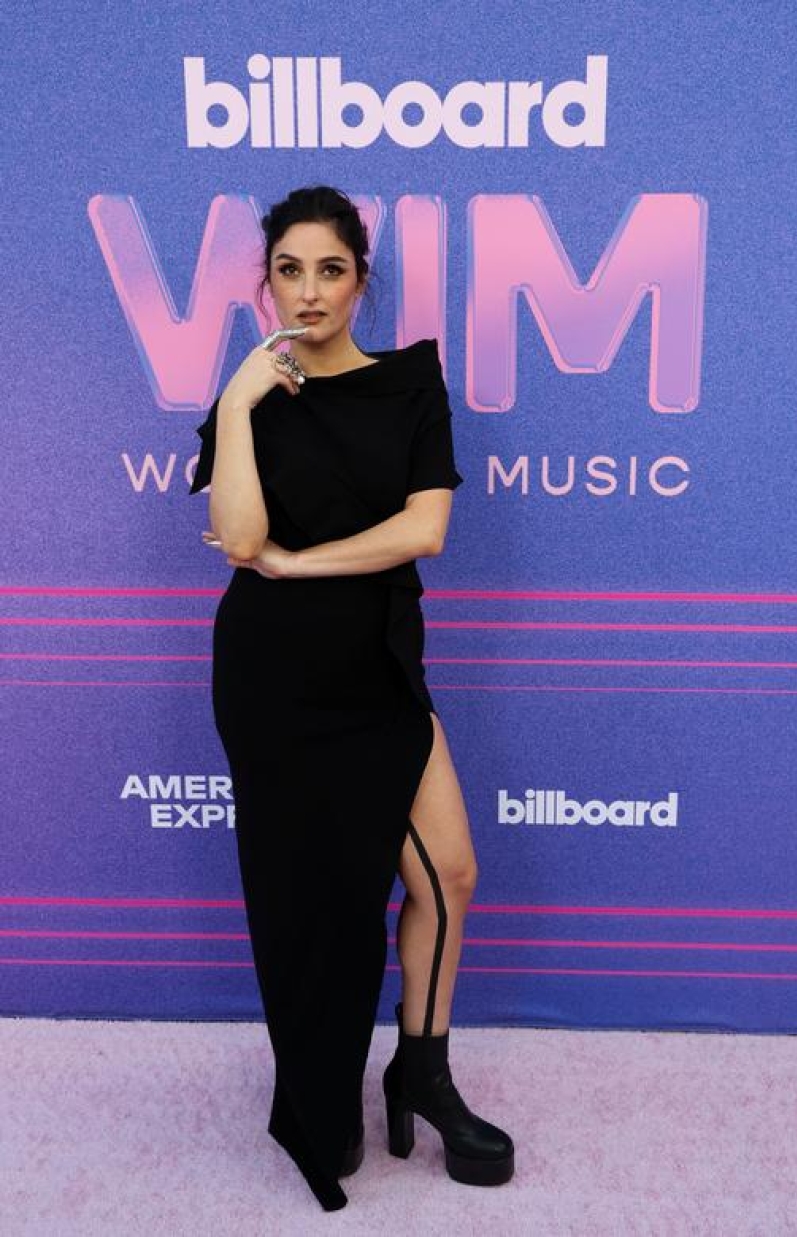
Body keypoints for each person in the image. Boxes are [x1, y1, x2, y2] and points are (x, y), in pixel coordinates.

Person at [189, 184, 514, 1211]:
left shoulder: (412, 384)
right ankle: (322, 1095)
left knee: (449, 873)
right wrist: (240, 402)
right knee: (314, 908)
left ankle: (422, 1068)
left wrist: (302, 563)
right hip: (274, 681)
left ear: (361, 279)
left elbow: (424, 532)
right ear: (268, 279)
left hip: (374, 662)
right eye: (290, 268)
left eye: (331, 268)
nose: (310, 289)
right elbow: (241, 541)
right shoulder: (249, 395)